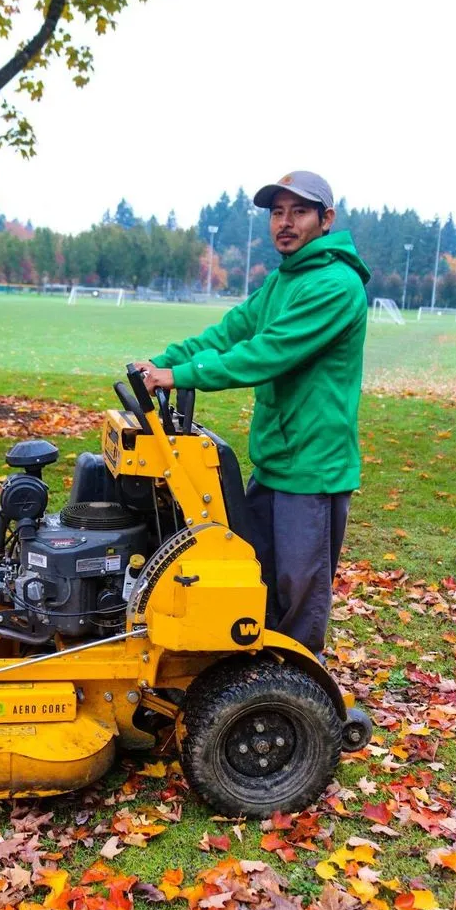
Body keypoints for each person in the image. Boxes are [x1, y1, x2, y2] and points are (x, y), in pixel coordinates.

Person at [134, 170, 371, 657]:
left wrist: (181, 376)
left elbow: (267, 353)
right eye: (277, 213)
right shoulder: (283, 282)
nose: (285, 223)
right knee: (252, 572)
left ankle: (298, 691)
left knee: (299, 592)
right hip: (275, 461)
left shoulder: (336, 286)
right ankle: (253, 674)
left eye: (298, 212)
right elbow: (230, 332)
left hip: (313, 468)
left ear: (326, 220)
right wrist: (165, 360)